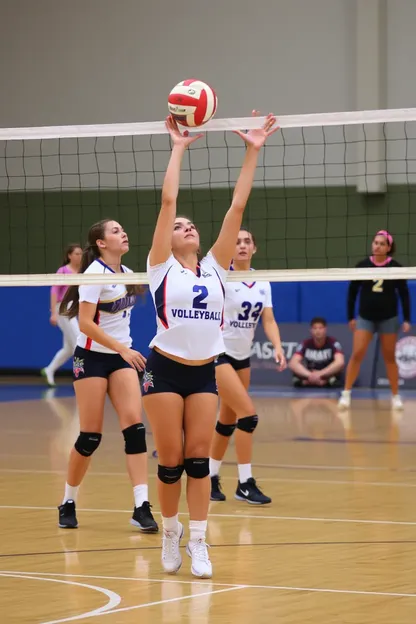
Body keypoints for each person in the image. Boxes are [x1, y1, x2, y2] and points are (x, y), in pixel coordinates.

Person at [142, 112, 278, 578]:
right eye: (180, 227)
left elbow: (236, 209)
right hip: (164, 367)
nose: (186, 228)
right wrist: (178, 148)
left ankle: (199, 542)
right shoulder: (160, 266)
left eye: (189, 226)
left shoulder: (216, 267)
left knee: (199, 460)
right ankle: (170, 532)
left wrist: (253, 149)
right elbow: (167, 200)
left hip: (204, 369)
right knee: (171, 462)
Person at [57, 219, 158, 534]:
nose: (123, 233)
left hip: (121, 357)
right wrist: (121, 349)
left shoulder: (129, 274)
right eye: (115, 231)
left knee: (135, 429)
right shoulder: (93, 275)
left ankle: (141, 506)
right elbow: (85, 323)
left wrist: (123, 351)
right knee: (90, 436)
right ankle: (68, 500)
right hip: (91, 357)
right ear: (101, 243)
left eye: (123, 229)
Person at [209, 228, 286, 505]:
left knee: (227, 420)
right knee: (248, 416)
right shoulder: (221, 278)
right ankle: (244, 483)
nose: (241, 245)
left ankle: (210, 477)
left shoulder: (263, 282)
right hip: (219, 355)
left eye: (247, 242)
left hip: (243, 358)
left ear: (254, 248)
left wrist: (277, 346)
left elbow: (268, 320)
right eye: (237, 241)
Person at [338, 230, 411, 410]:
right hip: (366, 318)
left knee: (390, 358)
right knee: (358, 354)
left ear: (388, 248)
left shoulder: (396, 268)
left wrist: (407, 318)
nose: (377, 246)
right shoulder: (362, 265)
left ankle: (395, 397)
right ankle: (346, 394)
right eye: (375, 242)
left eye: (381, 244)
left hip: (389, 318)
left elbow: (404, 295)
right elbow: (352, 293)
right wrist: (350, 316)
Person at [41, 244, 82, 386]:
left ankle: (49, 370)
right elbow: (54, 291)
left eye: (80, 254)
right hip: (63, 308)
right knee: (79, 342)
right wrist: (53, 313)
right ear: (69, 255)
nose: (79, 256)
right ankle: (80, 376)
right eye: (76, 253)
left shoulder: (82, 272)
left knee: (69, 349)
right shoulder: (63, 271)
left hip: (73, 309)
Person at [288, 317, 344, 387]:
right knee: (295, 369)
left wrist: (320, 374)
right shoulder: (305, 343)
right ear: (311, 330)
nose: (318, 331)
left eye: (320, 328)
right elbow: (293, 363)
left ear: (325, 329)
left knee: (338, 368)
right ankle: (306, 382)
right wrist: (311, 375)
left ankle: (326, 382)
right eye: (315, 328)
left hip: (326, 374)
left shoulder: (333, 342)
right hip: (308, 374)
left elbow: (340, 362)